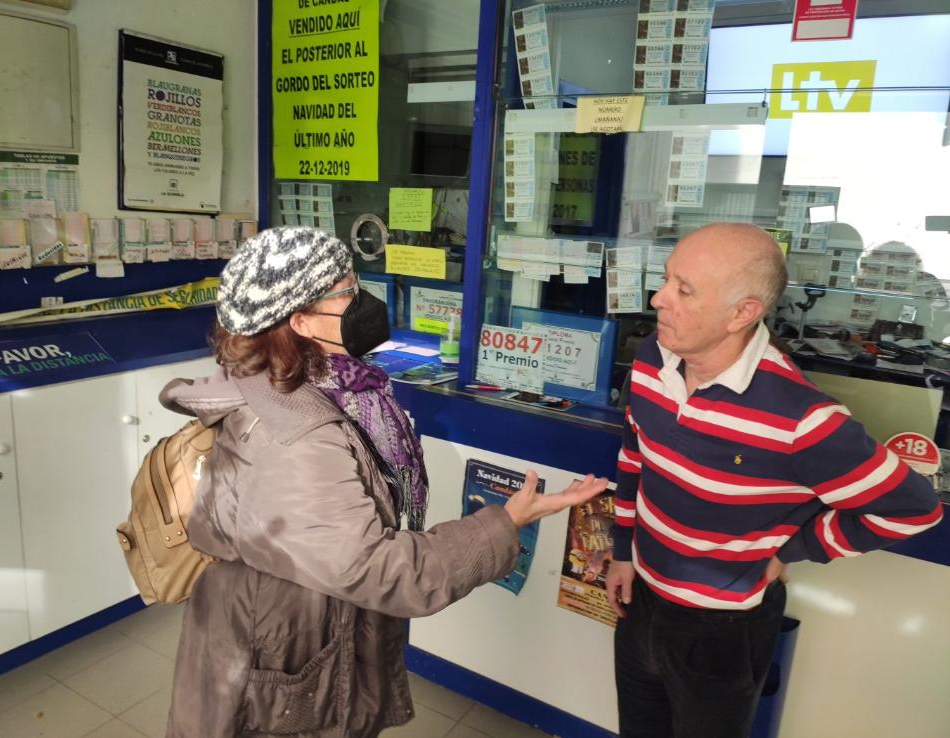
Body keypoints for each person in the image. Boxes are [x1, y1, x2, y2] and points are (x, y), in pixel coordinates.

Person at [162, 226, 608, 738]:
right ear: (300, 321)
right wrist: (504, 524)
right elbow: (377, 569)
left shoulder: (309, 385)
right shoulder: (297, 436)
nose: (365, 302)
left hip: (304, 618)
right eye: (347, 292)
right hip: (285, 646)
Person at [606, 222, 943, 738]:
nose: (658, 299)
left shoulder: (805, 420)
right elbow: (636, 456)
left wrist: (795, 548)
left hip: (722, 629)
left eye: (684, 289)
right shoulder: (653, 357)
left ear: (743, 312)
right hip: (643, 599)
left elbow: (915, 509)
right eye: (668, 280)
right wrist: (624, 550)